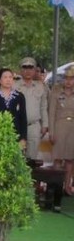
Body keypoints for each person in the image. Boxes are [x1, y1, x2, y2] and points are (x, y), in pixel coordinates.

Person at [14, 57, 49, 162]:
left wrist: (45, 124)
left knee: (32, 160)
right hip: (18, 126)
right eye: (25, 67)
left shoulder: (40, 86)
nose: (28, 71)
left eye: (30, 68)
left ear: (34, 70)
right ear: (21, 70)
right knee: (18, 158)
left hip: (34, 126)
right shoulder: (14, 86)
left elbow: (43, 107)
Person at [0, 67, 28, 146]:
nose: (8, 80)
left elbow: (23, 118)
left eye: (10, 77)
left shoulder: (19, 96)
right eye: (5, 77)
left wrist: (23, 138)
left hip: (15, 136)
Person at [49, 66, 74, 197]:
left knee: (70, 159)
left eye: (72, 78)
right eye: (66, 78)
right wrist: (51, 132)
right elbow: (51, 113)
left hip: (72, 128)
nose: (69, 81)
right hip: (59, 126)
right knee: (58, 158)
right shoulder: (56, 92)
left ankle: (67, 186)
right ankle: (56, 186)